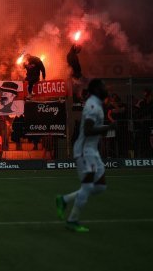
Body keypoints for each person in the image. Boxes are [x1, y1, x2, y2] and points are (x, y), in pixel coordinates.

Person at [56, 79, 114, 232]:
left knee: (100, 186)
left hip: (92, 151)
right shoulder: (93, 105)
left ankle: (64, 200)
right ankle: (72, 220)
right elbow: (88, 130)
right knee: (87, 186)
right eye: (103, 86)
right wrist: (107, 127)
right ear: (96, 89)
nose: (105, 88)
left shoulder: (97, 104)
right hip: (84, 151)